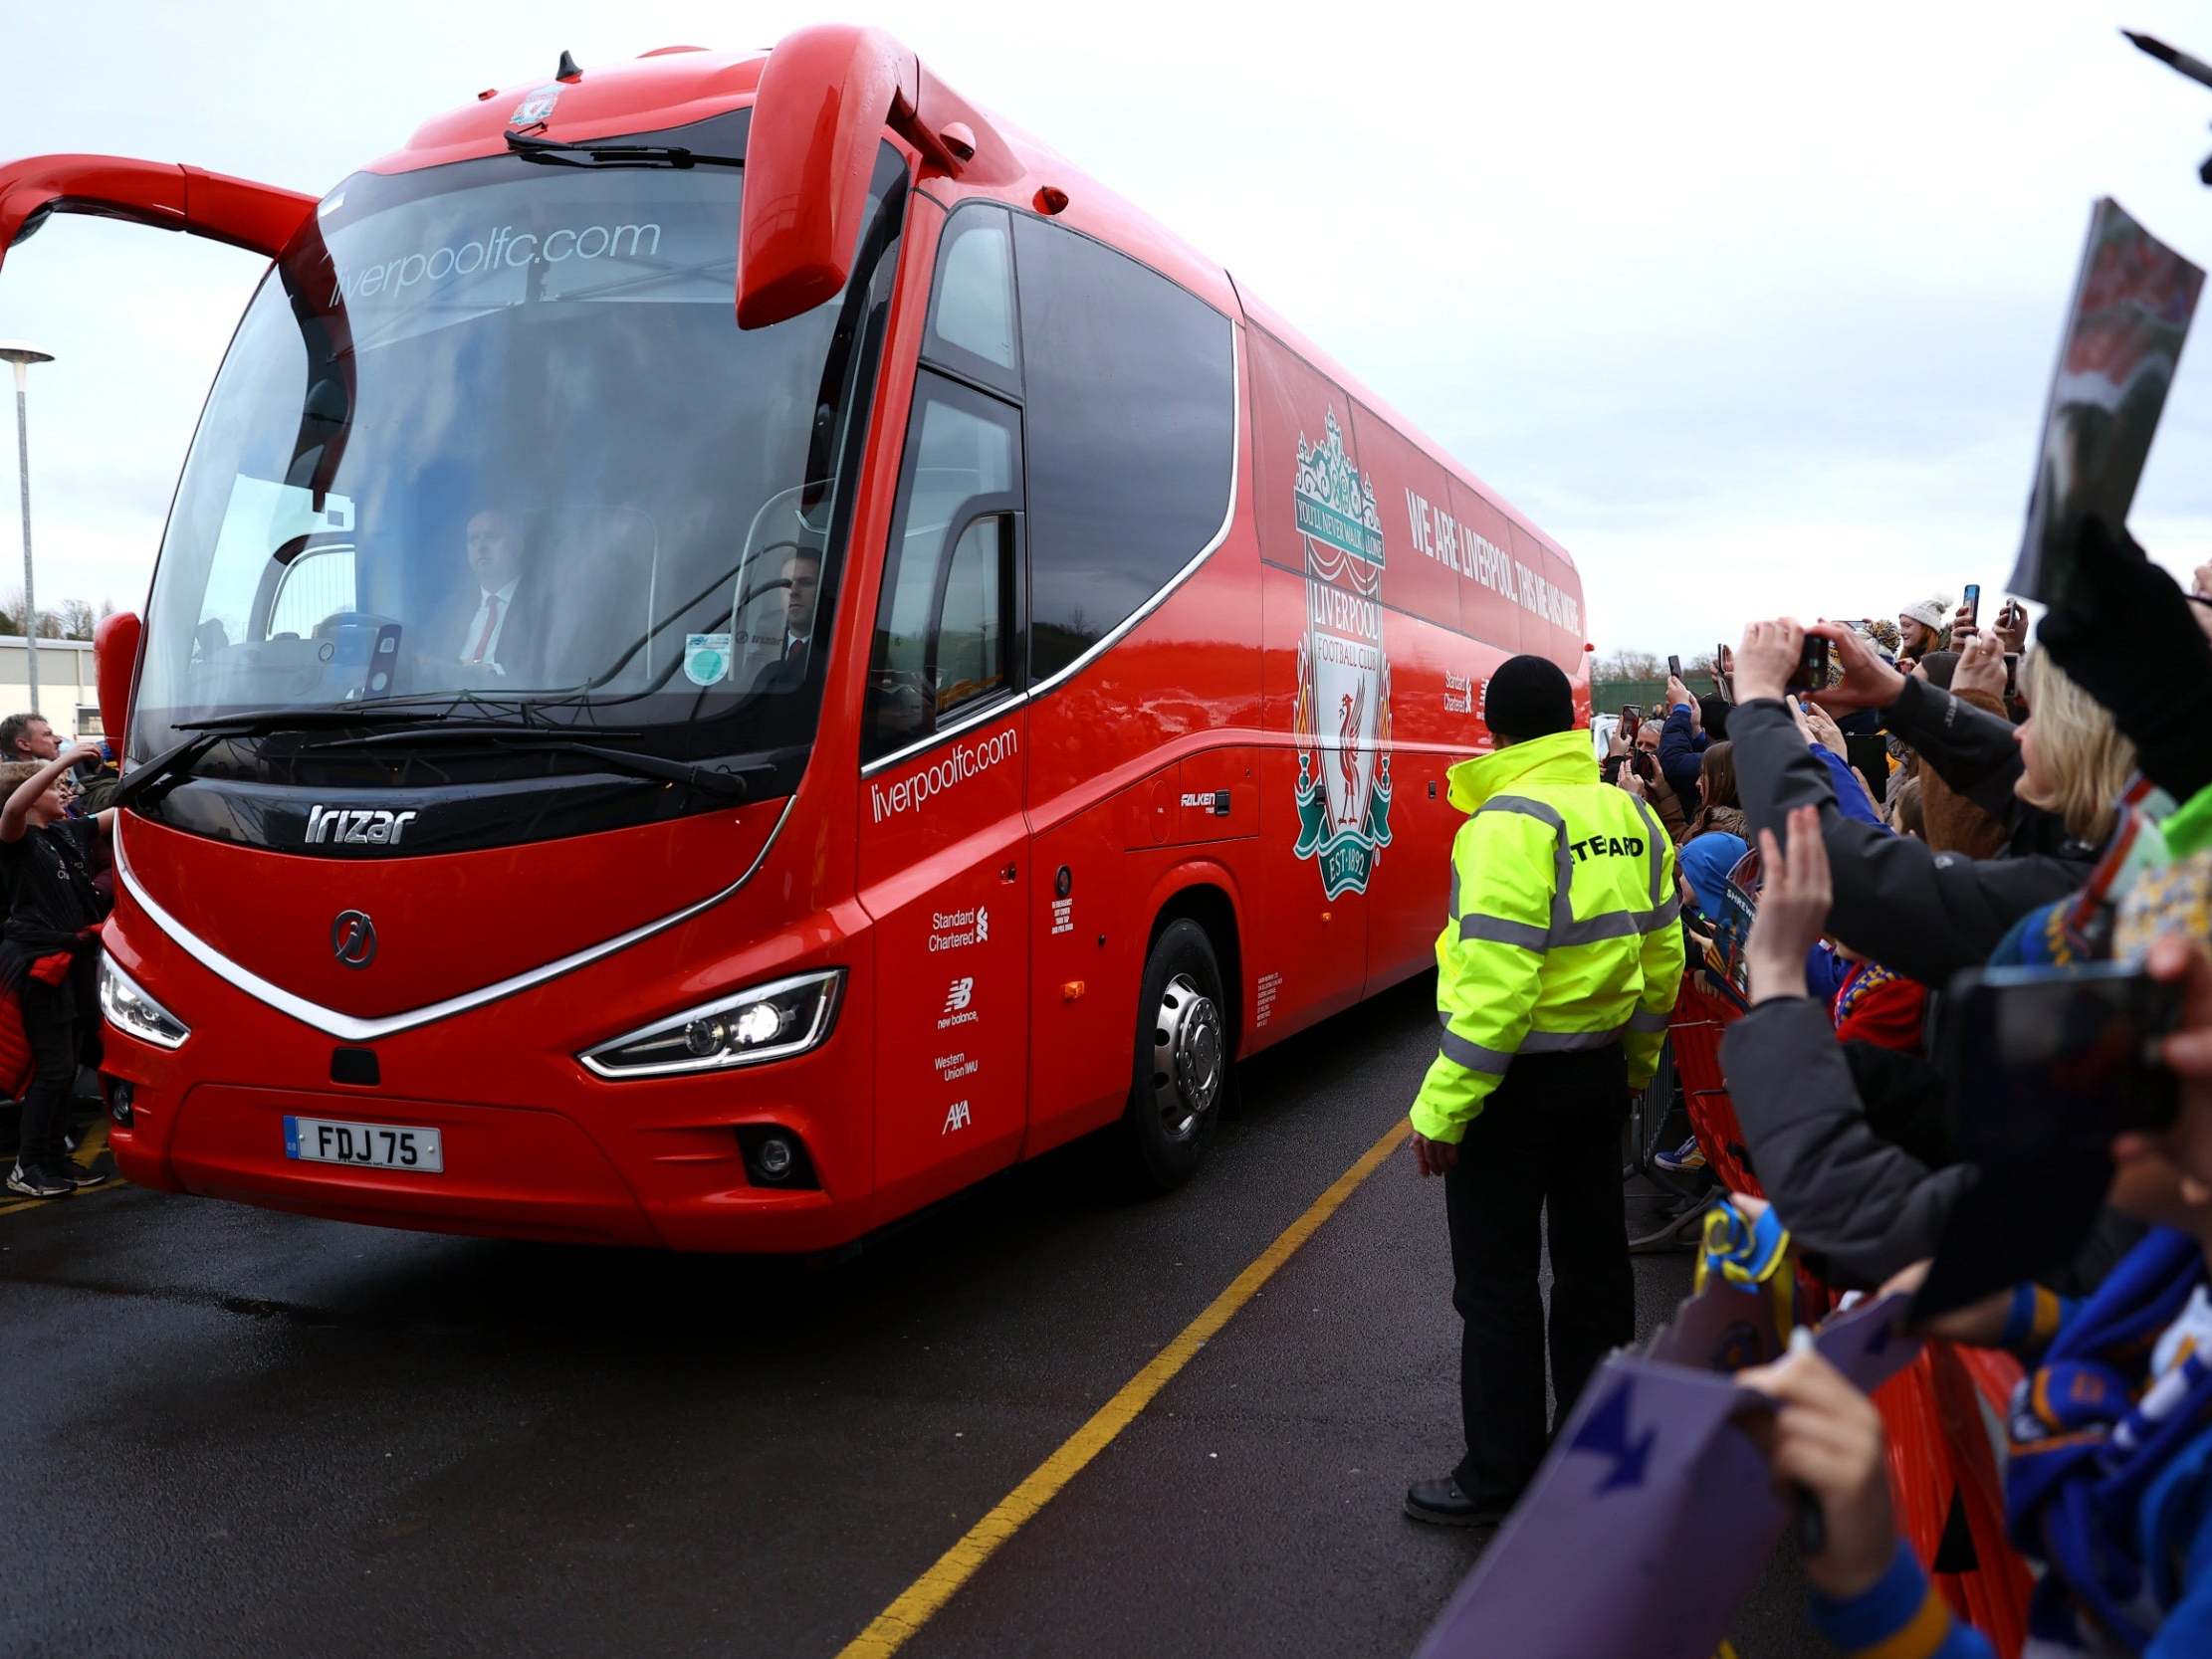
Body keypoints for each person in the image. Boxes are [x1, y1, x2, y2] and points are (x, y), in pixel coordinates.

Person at [1403, 654, 1684, 1527]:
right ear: (1568, 721)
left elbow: (1495, 991)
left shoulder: (1503, 822)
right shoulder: (1632, 813)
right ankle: (1593, 1463)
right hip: (1597, 1079)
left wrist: (1442, 1110)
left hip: (1511, 1093)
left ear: (1492, 730)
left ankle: (1498, 1474)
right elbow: (1663, 964)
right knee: (1596, 1273)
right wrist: (1633, 1071)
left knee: (1497, 1284)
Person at [1730, 618, 2113, 986]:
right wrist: (1900, 697)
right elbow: (2008, 770)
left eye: (2041, 719)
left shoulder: (2075, 896)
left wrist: (1761, 710)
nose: (2020, 733)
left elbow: (1841, 869)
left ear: (2093, 744)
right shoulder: (2116, 832)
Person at [0, 744, 113, 1199]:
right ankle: (28, 1165)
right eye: (55, 787)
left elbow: (122, 814)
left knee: (65, 1068)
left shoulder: (65, 833)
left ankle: (52, 1157)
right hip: (38, 964)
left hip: (71, 962)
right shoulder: (16, 839)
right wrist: (64, 760)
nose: (65, 791)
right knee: (53, 1068)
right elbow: (12, 807)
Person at [445, 509, 552, 684]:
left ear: (517, 546)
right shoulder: (452, 610)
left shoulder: (544, 605)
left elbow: (549, 674)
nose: (481, 547)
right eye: (473, 540)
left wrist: (490, 674)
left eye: (491, 537)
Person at [749, 547, 822, 694]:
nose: (793, 592)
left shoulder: (836, 655)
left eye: (806, 582)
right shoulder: (757, 660)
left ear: (823, 590)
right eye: (786, 584)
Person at [1897, 598, 1949, 662]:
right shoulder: (1903, 659)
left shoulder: (1945, 659)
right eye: (1901, 626)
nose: (1901, 632)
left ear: (1926, 628)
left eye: (1907, 626)